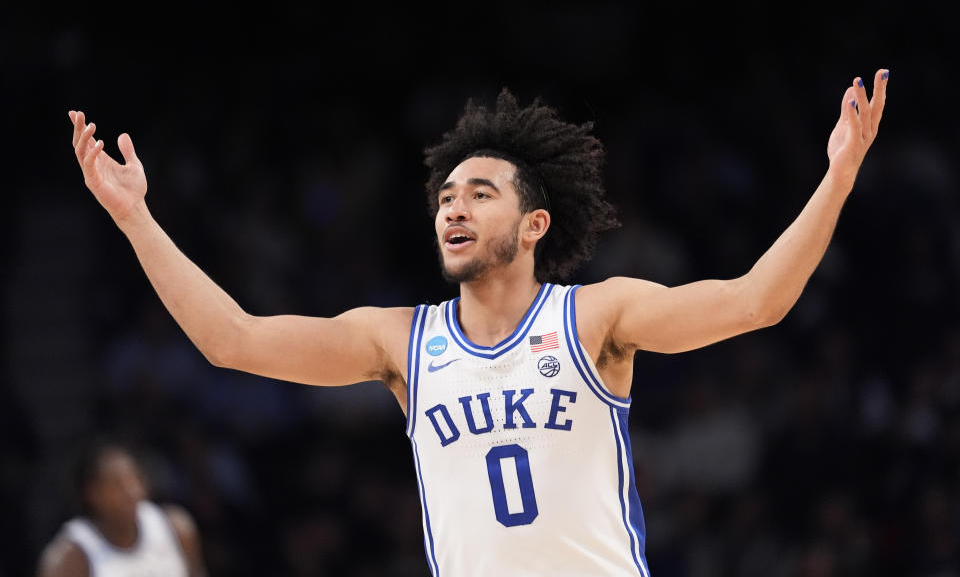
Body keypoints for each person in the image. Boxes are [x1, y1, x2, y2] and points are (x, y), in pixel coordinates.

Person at [67, 69, 889, 576]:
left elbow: (757, 301)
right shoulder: (401, 341)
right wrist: (137, 219)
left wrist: (838, 174)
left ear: (533, 225)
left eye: (479, 194)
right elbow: (232, 340)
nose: (453, 207)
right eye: (445, 198)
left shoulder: (598, 315)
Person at [37, 441, 206, 577]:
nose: (131, 492)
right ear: (92, 494)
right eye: (118, 485)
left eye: (134, 480)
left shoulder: (176, 527)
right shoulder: (72, 555)